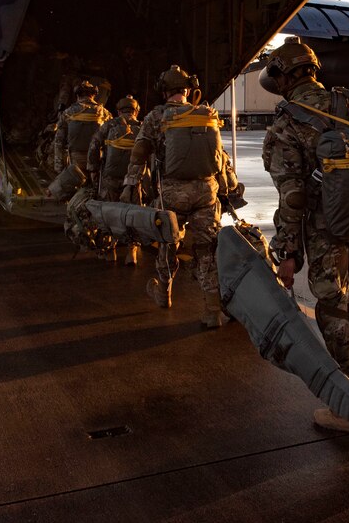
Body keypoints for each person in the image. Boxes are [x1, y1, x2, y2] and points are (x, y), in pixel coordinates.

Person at [261, 37, 349, 436]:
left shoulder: (287, 122)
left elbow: (293, 196)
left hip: (327, 233)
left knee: (333, 310)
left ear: (284, 76)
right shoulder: (348, 103)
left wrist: (286, 252)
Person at [120, 65, 229, 329]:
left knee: (168, 245)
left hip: (172, 194)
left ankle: (164, 294)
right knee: (206, 250)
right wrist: (228, 187)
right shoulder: (206, 114)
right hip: (206, 193)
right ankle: (213, 310)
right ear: (188, 90)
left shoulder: (157, 117)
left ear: (164, 91)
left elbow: (140, 152)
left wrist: (130, 185)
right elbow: (221, 158)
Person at [88, 94, 143, 265]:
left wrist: (93, 169)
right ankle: (131, 253)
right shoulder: (142, 128)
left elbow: (94, 145)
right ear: (136, 111)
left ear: (118, 111)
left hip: (110, 177)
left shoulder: (109, 125)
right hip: (133, 180)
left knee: (109, 213)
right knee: (133, 215)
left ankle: (110, 250)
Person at [53, 81, 111, 175]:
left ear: (77, 96)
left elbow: (59, 141)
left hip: (75, 161)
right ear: (93, 95)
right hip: (97, 160)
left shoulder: (68, 112)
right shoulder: (104, 113)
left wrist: (58, 166)